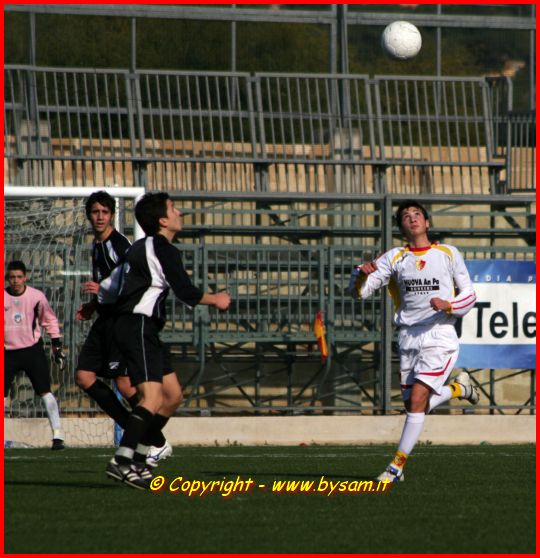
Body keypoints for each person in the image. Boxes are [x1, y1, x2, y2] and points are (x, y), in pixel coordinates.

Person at [103, 192, 231, 489]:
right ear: (162, 220)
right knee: (152, 398)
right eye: (173, 209)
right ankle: (122, 460)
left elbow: (109, 286)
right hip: (138, 325)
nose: (179, 213)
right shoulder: (164, 249)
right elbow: (185, 291)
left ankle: (139, 457)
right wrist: (216, 299)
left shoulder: (138, 248)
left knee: (172, 397)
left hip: (140, 327)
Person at [350, 200, 479, 483]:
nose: (412, 218)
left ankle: (395, 468)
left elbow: (469, 294)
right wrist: (360, 274)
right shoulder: (395, 257)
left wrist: (449, 305)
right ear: (402, 227)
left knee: (418, 398)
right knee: (414, 405)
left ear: (427, 222)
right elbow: (361, 292)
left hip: (440, 334)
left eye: (417, 214)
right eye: (406, 216)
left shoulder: (448, 253)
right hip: (408, 338)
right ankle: (458, 389)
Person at [75, 190, 172, 466]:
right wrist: (94, 304)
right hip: (104, 319)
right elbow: (108, 287)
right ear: (89, 215)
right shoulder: (97, 245)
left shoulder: (119, 246)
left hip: (120, 320)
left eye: (105, 212)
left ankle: (154, 441)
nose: (100, 217)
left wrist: (102, 291)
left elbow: (130, 284)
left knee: (126, 384)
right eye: (95, 212)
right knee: (84, 376)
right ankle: (143, 435)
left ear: (112, 215)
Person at [4, 261, 67, 450]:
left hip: (32, 350)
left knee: (45, 391)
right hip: (7, 352)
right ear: (7, 279)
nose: (16, 281)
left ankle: (58, 435)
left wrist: (56, 345)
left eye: (19, 277)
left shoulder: (36, 297)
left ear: (26, 277)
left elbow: (50, 320)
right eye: (12, 277)